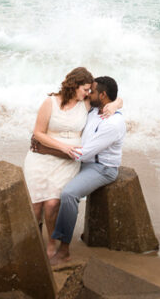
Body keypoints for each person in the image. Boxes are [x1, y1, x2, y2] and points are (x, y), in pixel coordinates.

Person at [23, 68, 121, 252]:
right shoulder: (50, 103)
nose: (88, 93)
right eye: (85, 89)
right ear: (74, 86)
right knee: (35, 205)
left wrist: (116, 105)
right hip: (41, 157)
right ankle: (34, 242)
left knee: (52, 204)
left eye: (90, 90)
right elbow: (38, 133)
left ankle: (52, 243)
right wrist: (61, 147)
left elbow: (112, 98)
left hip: (67, 161)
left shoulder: (85, 103)